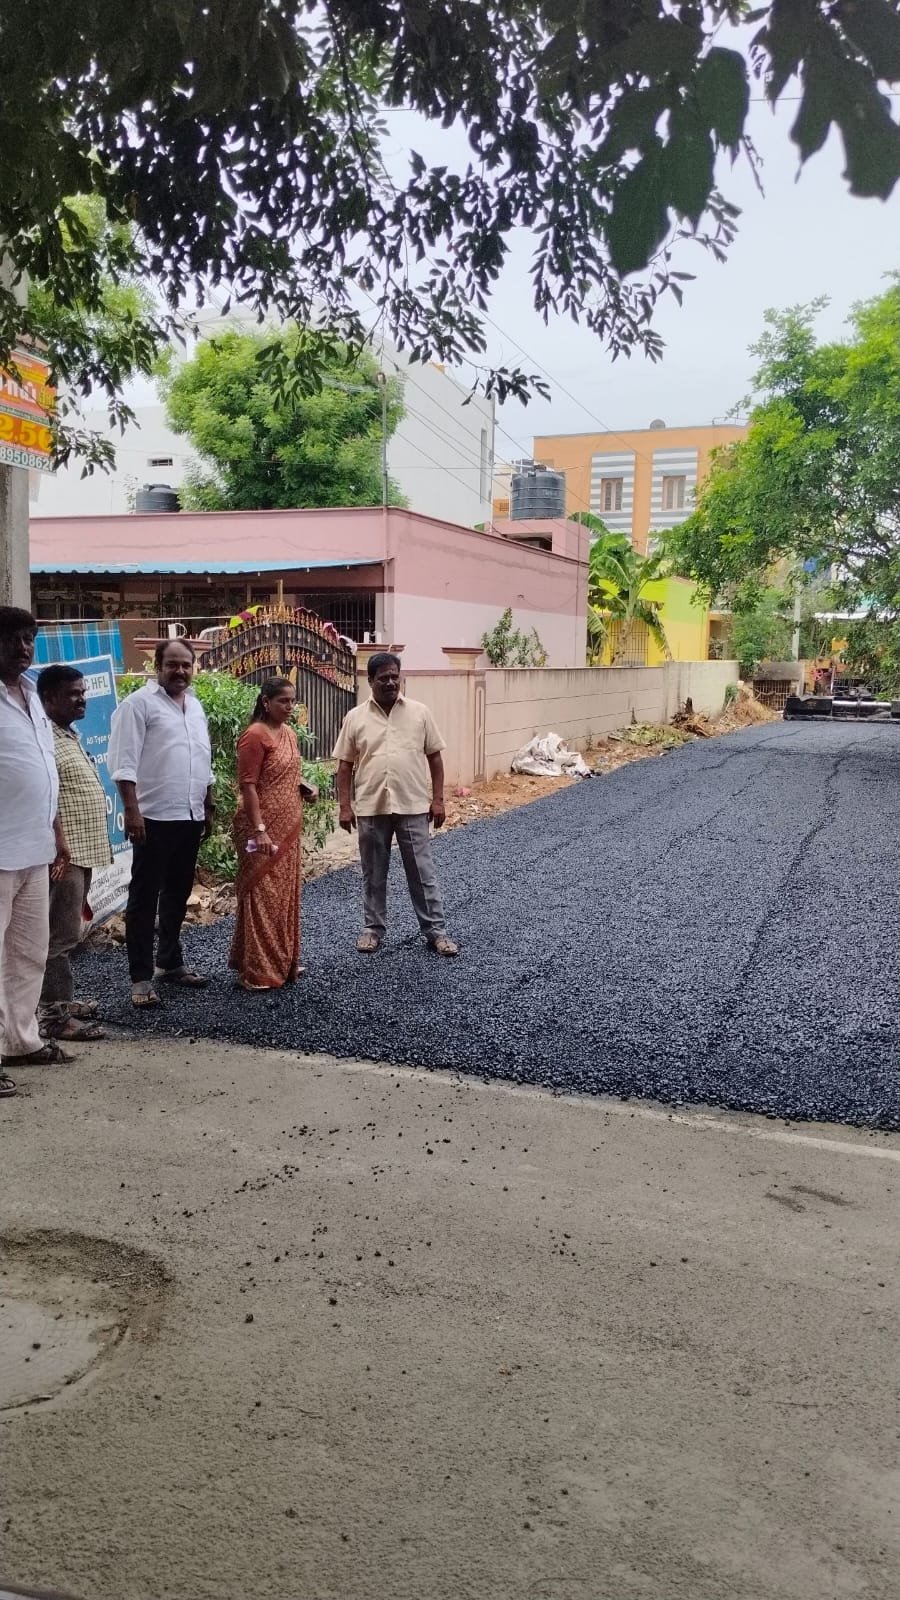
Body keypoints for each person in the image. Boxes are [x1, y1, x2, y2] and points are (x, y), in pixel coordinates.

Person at [109, 639, 214, 1007]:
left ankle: (169, 962)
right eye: (173, 664)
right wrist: (132, 811)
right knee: (143, 899)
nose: (180, 671)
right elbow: (123, 764)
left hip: (188, 816)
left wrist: (208, 804)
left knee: (177, 894)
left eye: (186, 664)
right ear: (158, 666)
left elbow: (202, 760)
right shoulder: (138, 705)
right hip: (152, 818)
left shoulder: (195, 707)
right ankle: (140, 979)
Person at [333, 651, 458, 956]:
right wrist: (345, 806)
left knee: (422, 873)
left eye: (394, 676)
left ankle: (436, 932)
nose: (390, 682)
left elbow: (435, 758)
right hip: (371, 807)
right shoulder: (355, 718)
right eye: (383, 678)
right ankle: (372, 930)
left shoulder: (420, 712)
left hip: (413, 804)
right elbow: (345, 767)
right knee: (373, 873)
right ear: (370, 680)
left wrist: (438, 799)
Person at [0, 607, 73, 1097]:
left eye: (29, 640)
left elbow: (45, 773)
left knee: (29, 952)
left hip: (34, 847)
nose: (25, 648)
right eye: (14, 640)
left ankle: (20, 1041)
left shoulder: (31, 695)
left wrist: (57, 834)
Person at [36, 664, 113, 1042]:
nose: (81, 698)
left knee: (69, 934)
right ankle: (54, 1017)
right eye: (72, 694)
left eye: (83, 692)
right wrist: (58, 847)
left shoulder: (67, 734)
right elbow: (46, 797)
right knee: (59, 937)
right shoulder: (44, 738)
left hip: (82, 852)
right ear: (48, 698)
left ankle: (58, 1003)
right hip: (64, 856)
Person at [229, 677, 318, 991]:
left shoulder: (289, 733)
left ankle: (282, 959)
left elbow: (285, 772)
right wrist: (260, 830)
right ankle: (257, 970)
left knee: (284, 895)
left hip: (288, 826)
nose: (289, 707)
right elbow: (249, 786)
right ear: (266, 702)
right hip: (260, 829)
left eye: (292, 701)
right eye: (283, 701)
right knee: (262, 897)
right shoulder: (254, 736)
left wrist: (305, 787)